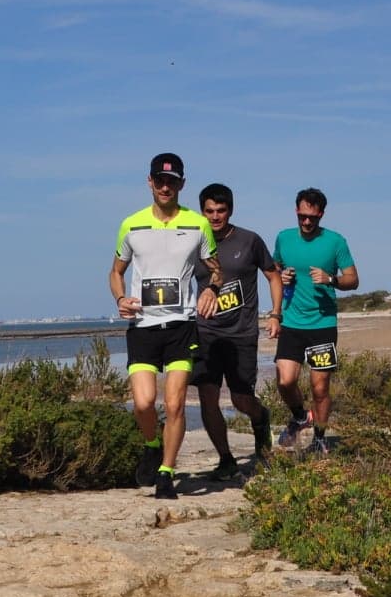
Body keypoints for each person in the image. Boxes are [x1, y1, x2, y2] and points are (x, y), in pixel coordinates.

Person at [110, 153, 220, 499]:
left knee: (174, 404)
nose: (165, 186)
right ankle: (152, 444)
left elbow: (215, 269)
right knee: (143, 404)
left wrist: (212, 290)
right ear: (150, 182)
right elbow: (116, 272)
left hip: (181, 325)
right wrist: (120, 299)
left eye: (172, 181)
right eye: (160, 180)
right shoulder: (131, 224)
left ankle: (165, 473)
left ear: (182, 185)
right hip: (142, 326)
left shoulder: (198, 225)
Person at [192, 183, 281, 479]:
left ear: (230, 210)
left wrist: (275, 314)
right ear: (201, 212)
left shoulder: (249, 240)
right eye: (209, 211)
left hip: (241, 333)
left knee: (242, 400)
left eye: (221, 210)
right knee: (207, 396)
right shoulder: (195, 243)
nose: (215, 216)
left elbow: (273, 275)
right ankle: (226, 459)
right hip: (205, 334)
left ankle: (261, 418)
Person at [272, 188, 358, 455]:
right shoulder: (284, 238)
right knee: (285, 381)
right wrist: (282, 278)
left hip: (322, 324)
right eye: (302, 216)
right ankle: (300, 417)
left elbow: (353, 279)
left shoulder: (335, 242)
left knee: (319, 387)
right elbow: (274, 271)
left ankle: (319, 437)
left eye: (312, 217)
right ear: (296, 212)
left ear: (321, 214)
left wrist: (330, 279)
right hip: (292, 322)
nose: (307, 222)